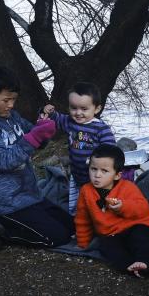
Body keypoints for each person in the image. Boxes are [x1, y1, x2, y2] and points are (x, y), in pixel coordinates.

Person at [0, 66, 73, 251]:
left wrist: (43, 129)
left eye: (13, 99)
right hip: (6, 205)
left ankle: (10, 223)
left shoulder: (10, 116)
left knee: (72, 226)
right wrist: (34, 138)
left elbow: (32, 136)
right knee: (58, 237)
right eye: (6, 100)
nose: (11, 105)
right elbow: (3, 160)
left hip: (30, 196)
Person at [74, 144, 149, 278]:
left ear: (117, 175)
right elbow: (82, 219)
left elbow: (142, 209)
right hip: (111, 233)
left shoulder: (128, 187)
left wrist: (123, 206)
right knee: (107, 248)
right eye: (93, 169)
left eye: (104, 171)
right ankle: (129, 266)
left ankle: (146, 262)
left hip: (136, 225)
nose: (97, 175)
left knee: (141, 238)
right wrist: (83, 242)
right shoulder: (86, 191)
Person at [42, 82, 116, 214]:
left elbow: (109, 151)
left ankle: (98, 222)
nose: (78, 113)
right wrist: (49, 111)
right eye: (74, 108)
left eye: (84, 109)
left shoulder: (101, 128)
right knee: (78, 205)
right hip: (76, 175)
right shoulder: (70, 122)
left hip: (95, 177)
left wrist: (96, 160)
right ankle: (78, 222)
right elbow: (57, 118)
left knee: (96, 204)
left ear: (97, 109)